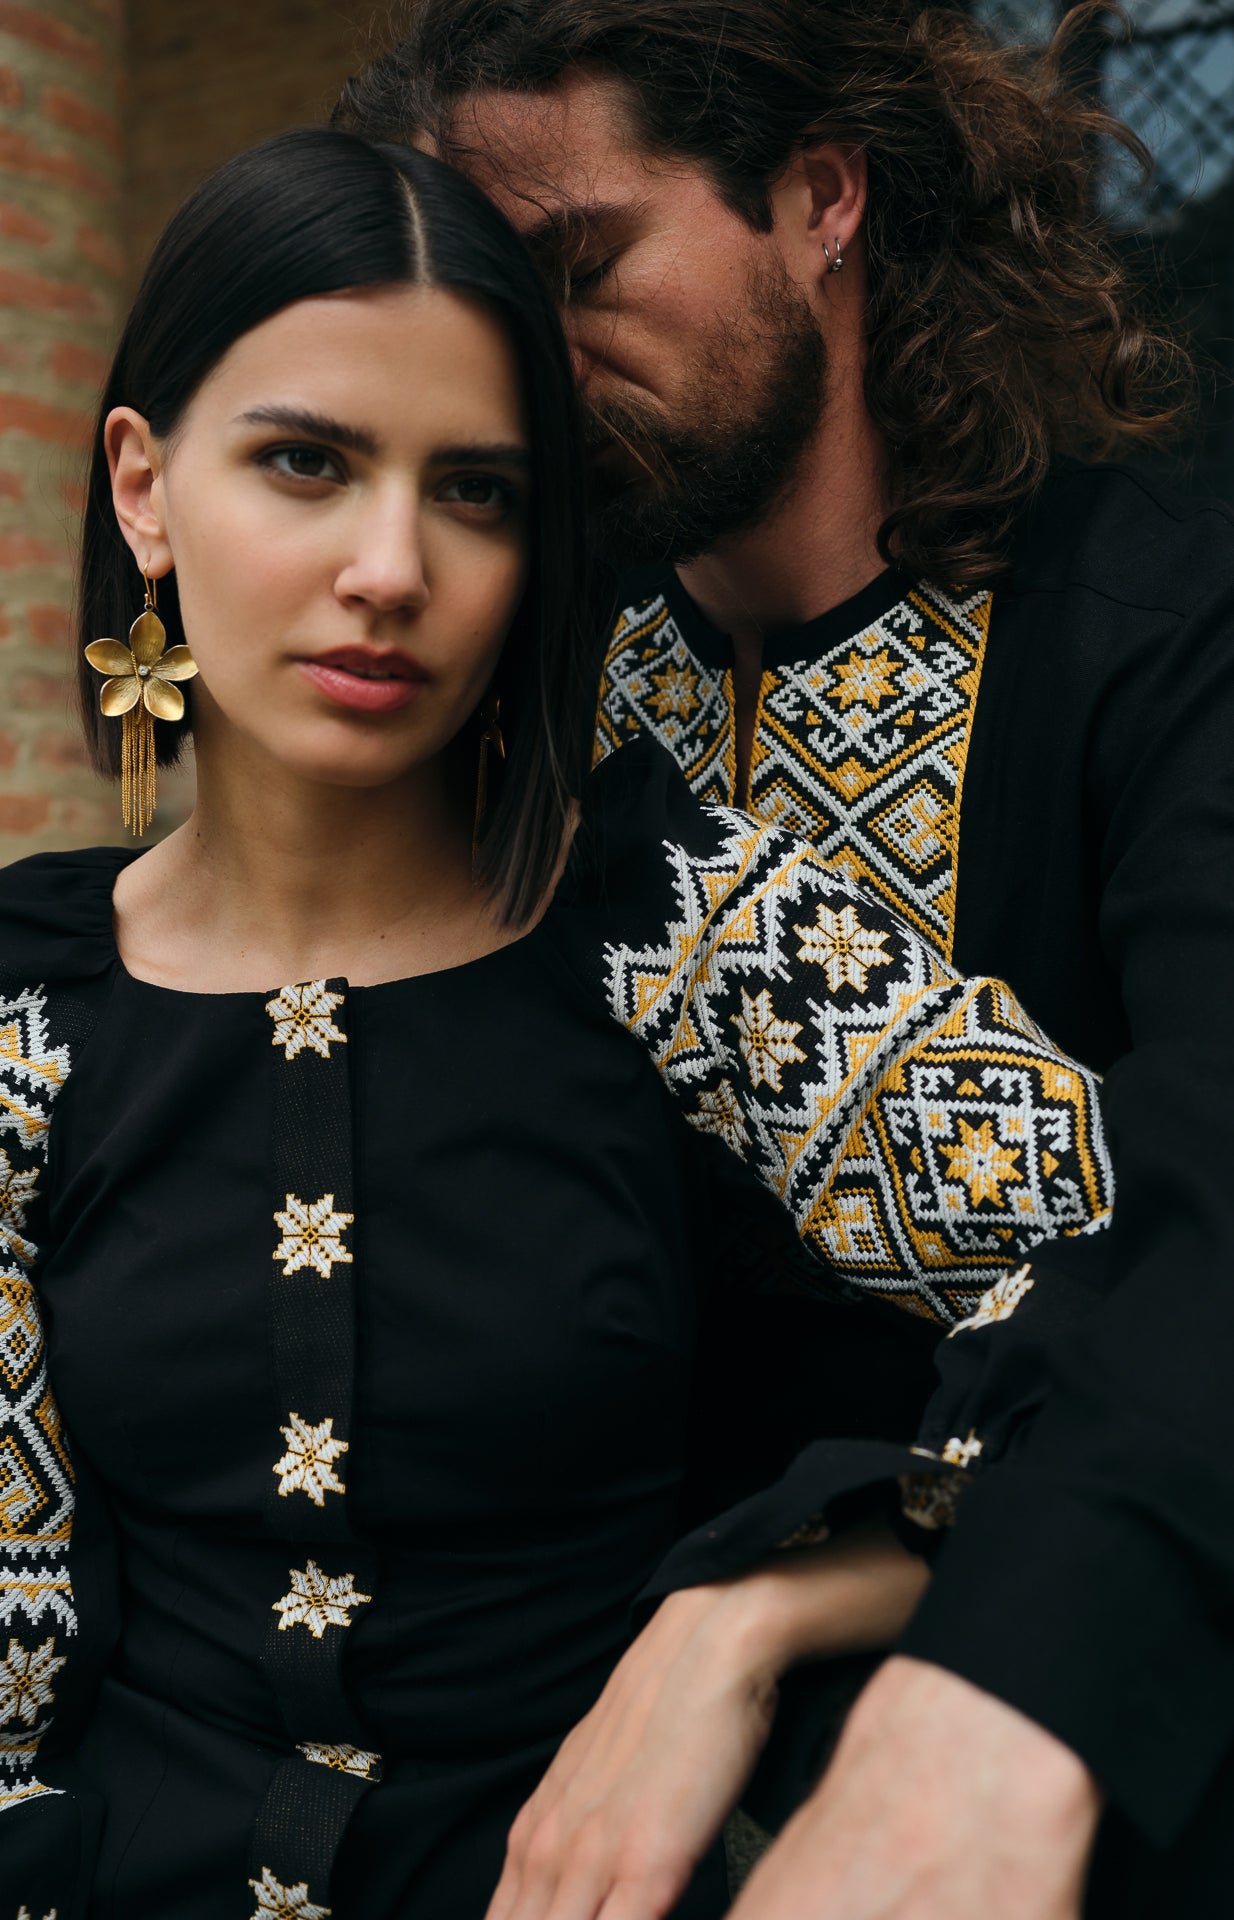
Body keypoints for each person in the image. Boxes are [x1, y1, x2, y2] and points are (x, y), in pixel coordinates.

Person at [0, 125, 1117, 1920]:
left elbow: (1134, 1294)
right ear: (142, 485)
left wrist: (774, 1604)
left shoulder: (674, 923)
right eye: (305, 462)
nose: (389, 566)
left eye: (477, 492)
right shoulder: (24, 1006)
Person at [332, 3, 1234, 1916]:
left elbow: (1197, 1234)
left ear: (822, 198)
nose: (534, 360)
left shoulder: (1163, 622)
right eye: (488, 302)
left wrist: (796, 1591)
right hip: (529, 1760)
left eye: (585, 266)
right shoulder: (501, 677)